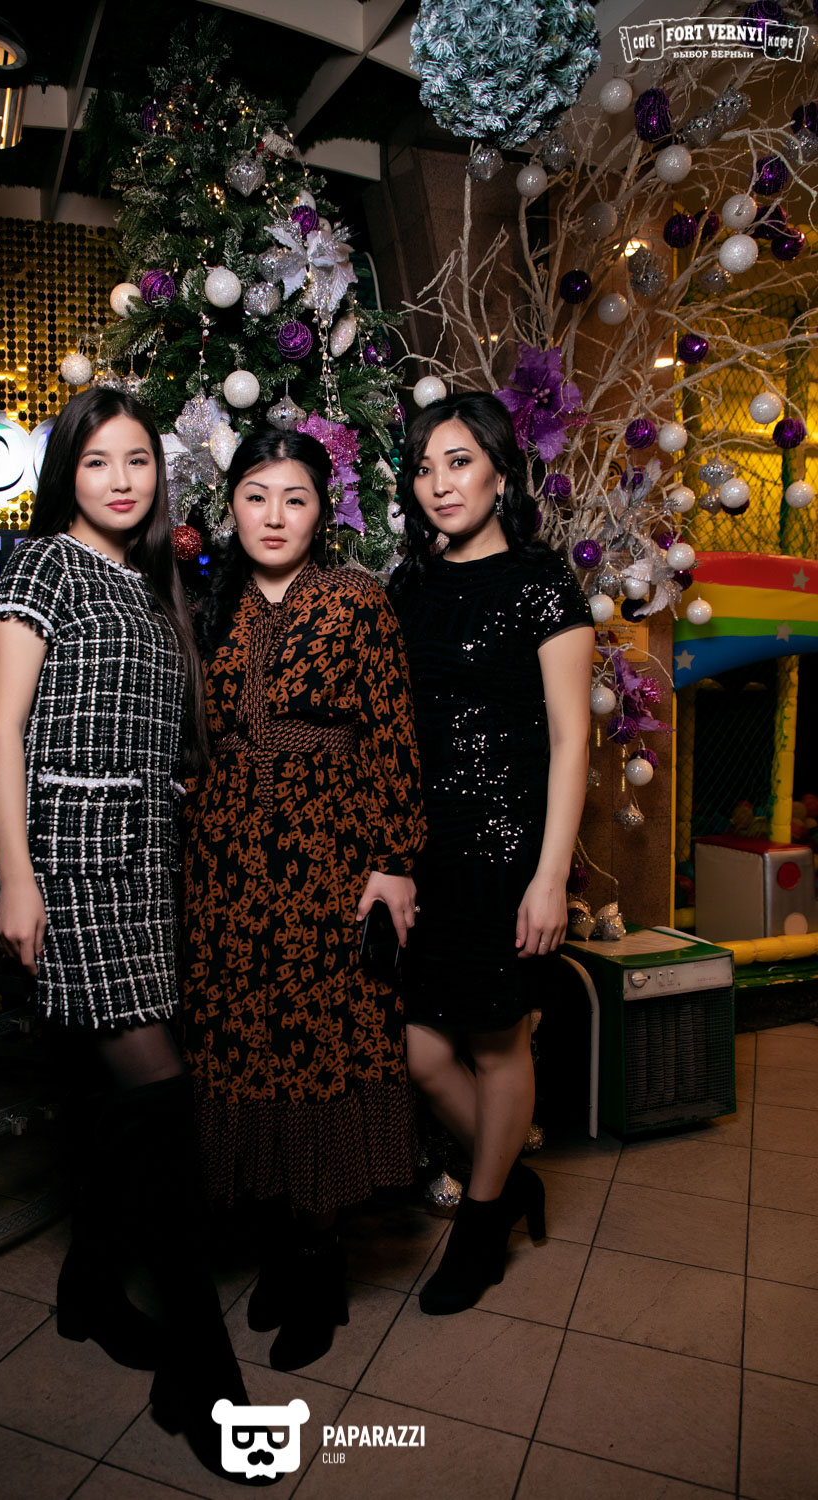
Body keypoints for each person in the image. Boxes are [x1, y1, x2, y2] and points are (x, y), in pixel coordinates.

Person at [0, 387, 251, 1482]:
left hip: (145, 869)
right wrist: (17, 878)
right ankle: (203, 1376)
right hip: (71, 873)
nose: (121, 479)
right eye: (97, 461)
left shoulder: (148, 585)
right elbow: (2, 727)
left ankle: (89, 1288)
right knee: (163, 1101)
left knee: (106, 1108)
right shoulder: (43, 567)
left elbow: (144, 731)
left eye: (137, 459)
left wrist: (170, 794)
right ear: (69, 476)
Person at [183, 427, 425, 1371]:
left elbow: (394, 737)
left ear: (324, 511)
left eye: (295, 498)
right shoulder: (208, 602)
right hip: (227, 866)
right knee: (248, 1044)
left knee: (318, 1048)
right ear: (231, 506)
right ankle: (281, 1247)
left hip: (330, 861)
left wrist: (394, 861)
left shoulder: (359, 601)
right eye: (256, 496)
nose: (274, 516)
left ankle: (321, 1265)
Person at [389, 390, 594, 1315]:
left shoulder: (544, 584)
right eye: (424, 467)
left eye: (459, 461)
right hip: (423, 854)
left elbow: (572, 741)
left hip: (508, 851)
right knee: (418, 1050)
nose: (440, 483)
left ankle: (478, 1228)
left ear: (501, 472)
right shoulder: (408, 587)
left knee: (498, 1041)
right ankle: (506, 1184)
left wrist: (550, 877)